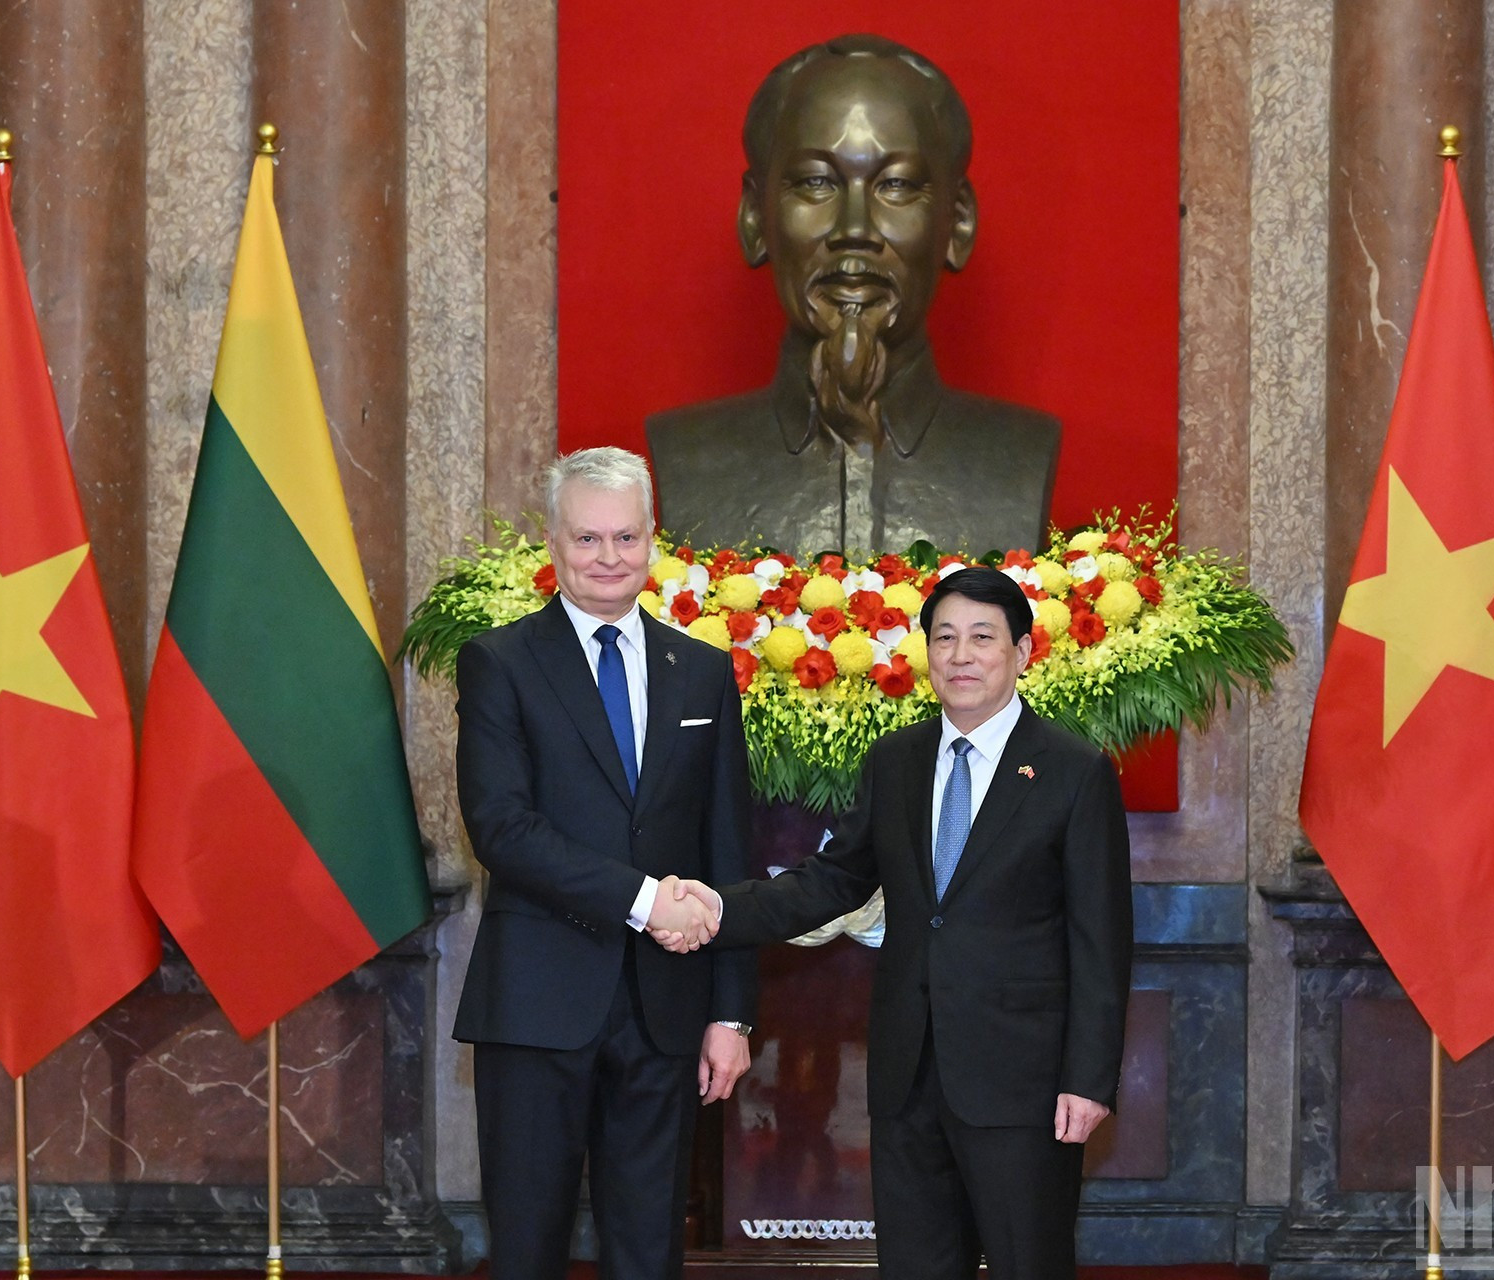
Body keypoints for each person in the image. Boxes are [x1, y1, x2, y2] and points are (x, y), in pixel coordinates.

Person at [659, 567, 1132, 1280]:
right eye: (945, 638)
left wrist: (1089, 1080)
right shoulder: (896, 762)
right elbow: (835, 881)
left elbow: (1102, 942)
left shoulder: (1073, 771)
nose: (961, 656)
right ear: (926, 654)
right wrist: (719, 908)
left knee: (1027, 1263)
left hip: (1023, 1083)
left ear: (1024, 654)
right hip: (909, 1075)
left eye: (982, 638)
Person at [452, 446, 756, 1280]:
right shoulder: (501, 663)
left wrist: (732, 1015)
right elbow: (502, 830)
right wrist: (645, 900)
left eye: (626, 538)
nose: (609, 559)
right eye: (588, 540)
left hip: (667, 1010)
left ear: (653, 540)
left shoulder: (700, 671)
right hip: (537, 1002)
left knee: (649, 1246)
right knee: (527, 1244)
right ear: (553, 544)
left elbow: (728, 847)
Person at [646, 34, 1060, 557]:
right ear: (755, 217)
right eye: (817, 183)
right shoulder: (686, 454)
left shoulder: (1021, 455)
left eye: (897, 185)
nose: (855, 228)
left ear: (957, 222)